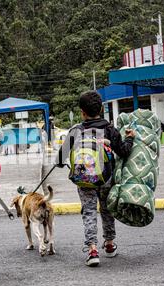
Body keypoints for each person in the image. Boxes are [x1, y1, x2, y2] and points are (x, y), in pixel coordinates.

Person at [55, 91, 135, 267]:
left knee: (89, 211)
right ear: (102, 109)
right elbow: (123, 151)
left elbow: (60, 159)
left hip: (83, 179)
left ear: (82, 112)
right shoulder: (109, 129)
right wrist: (130, 138)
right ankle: (109, 243)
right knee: (106, 209)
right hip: (105, 177)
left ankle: (92, 249)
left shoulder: (76, 130)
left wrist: (62, 163)